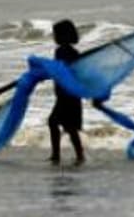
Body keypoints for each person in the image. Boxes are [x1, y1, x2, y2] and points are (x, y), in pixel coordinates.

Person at [48, 19, 85, 165]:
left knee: (57, 123)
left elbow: (64, 69)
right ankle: (77, 154)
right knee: (69, 127)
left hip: (67, 95)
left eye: (56, 34)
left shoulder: (64, 52)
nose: (54, 37)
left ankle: (58, 155)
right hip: (67, 95)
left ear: (64, 36)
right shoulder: (70, 52)